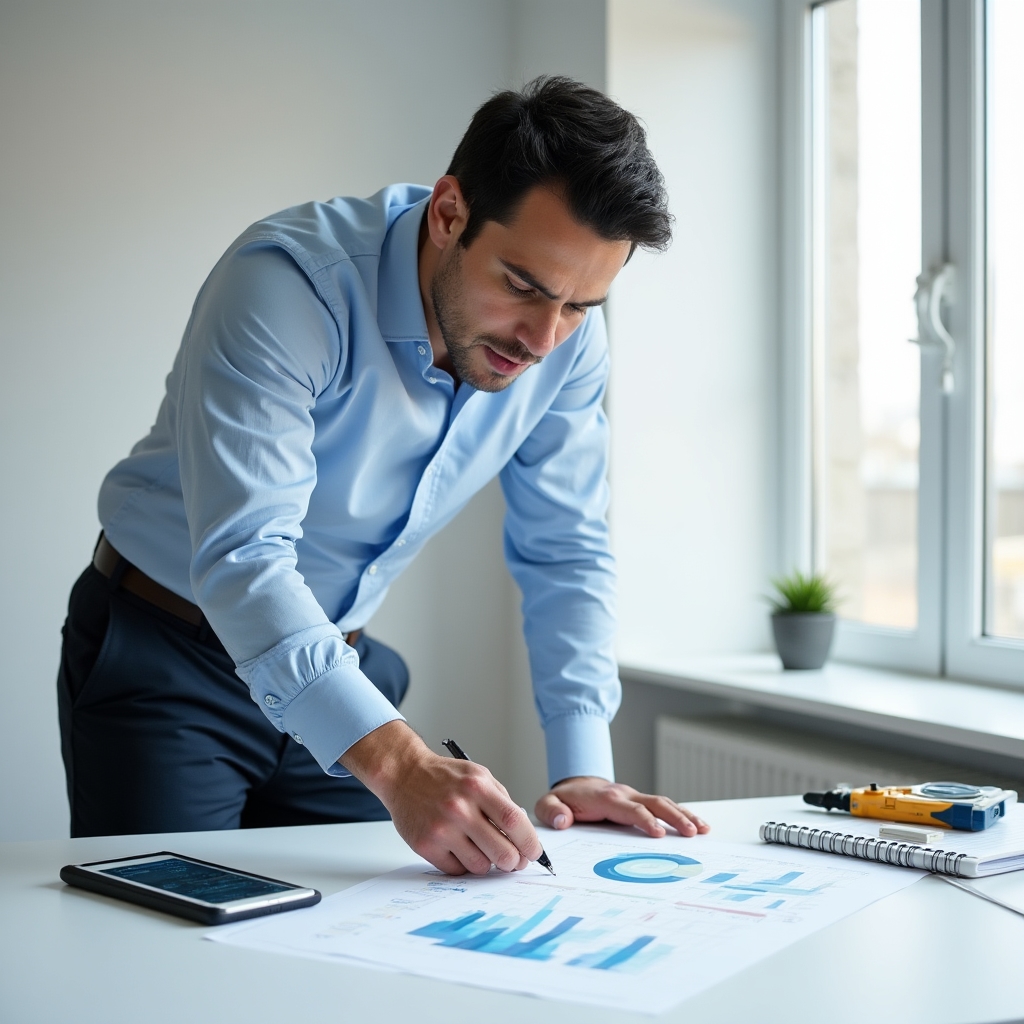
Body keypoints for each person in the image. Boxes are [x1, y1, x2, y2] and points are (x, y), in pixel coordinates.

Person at [57, 76, 710, 874]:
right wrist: (400, 766)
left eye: (580, 304)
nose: (544, 339)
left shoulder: (567, 347)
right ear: (449, 213)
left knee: (362, 949)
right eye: (523, 286)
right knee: (162, 965)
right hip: (170, 659)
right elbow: (247, 558)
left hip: (340, 670)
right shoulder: (288, 286)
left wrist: (583, 768)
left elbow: (566, 548)